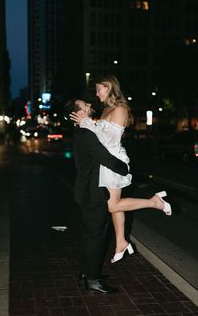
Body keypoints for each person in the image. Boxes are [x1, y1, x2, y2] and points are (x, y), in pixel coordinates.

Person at [70, 75, 172, 264]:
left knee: (112, 205)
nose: (96, 93)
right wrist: (88, 123)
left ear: (109, 88)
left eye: (99, 88)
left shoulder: (120, 109)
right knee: (115, 204)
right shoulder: (106, 109)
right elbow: (98, 139)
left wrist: (87, 123)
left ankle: (155, 202)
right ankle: (121, 242)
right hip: (106, 161)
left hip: (114, 160)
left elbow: (108, 141)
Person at [65, 98, 129, 294]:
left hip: (86, 191)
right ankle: (93, 280)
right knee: (97, 236)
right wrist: (124, 168)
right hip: (92, 194)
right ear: (78, 113)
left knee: (91, 235)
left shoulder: (82, 132)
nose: (89, 105)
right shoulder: (85, 134)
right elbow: (105, 157)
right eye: (85, 105)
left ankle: (87, 272)